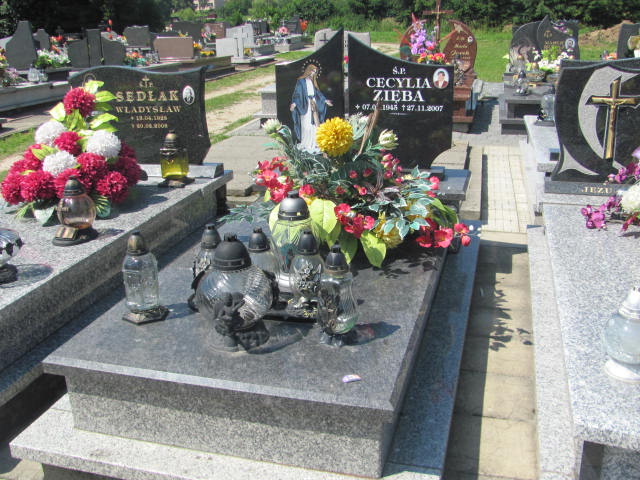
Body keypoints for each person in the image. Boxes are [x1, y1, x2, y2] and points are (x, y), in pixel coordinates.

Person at [290, 63, 333, 153]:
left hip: (314, 104)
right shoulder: (301, 81)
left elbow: (318, 93)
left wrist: (325, 100)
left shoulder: (313, 82)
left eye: (315, 72)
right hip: (305, 104)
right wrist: (294, 103)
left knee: (315, 123)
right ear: (308, 70)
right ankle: (306, 143)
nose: (313, 73)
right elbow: (297, 94)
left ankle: (315, 142)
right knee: (306, 124)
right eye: (312, 71)